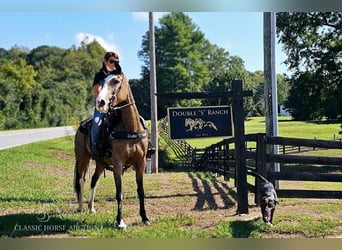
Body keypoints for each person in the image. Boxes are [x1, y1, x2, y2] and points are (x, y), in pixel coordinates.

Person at [91, 51, 155, 158]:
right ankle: (96, 147)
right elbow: (96, 90)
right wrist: (104, 96)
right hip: (103, 106)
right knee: (96, 123)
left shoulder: (118, 74)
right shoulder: (100, 75)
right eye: (111, 61)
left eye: (116, 62)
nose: (114, 64)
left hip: (118, 106)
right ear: (105, 61)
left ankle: (146, 144)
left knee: (140, 120)